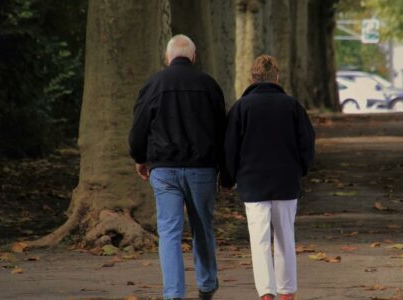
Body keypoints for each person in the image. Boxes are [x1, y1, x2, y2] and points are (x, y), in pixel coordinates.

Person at [128, 34, 224, 300]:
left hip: (164, 168)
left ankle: (173, 294)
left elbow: (139, 128)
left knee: (169, 231)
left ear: (168, 57)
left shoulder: (153, 84)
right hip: (202, 168)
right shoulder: (209, 85)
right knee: (202, 227)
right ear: (192, 57)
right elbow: (222, 130)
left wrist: (139, 157)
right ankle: (206, 284)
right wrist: (224, 168)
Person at [221, 55, 315, 300]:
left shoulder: (241, 108)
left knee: (259, 239)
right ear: (276, 77)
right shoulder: (292, 106)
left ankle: (266, 292)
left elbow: (230, 148)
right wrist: (300, 170)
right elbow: (307, 143)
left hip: (253, 183)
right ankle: (287, 291)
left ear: (252, 79)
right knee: (285, 237)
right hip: (286, 181)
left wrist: (228, 179)